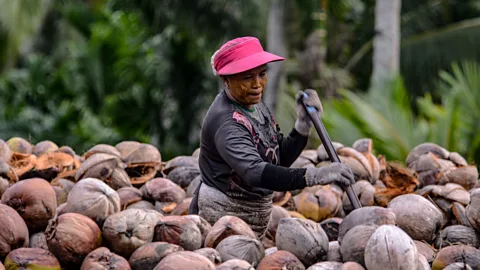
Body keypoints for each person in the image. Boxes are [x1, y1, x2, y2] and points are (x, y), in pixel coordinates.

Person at [188, 36, 355, 238]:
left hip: (253, 216)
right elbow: (255, 173)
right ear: (227, 80)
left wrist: (302, 126)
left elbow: (278, 158)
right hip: (223, 219)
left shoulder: (253, 104)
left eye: (262, 74)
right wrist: (314, 176)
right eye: (247, 77)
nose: (257, 84)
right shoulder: (227, 123)